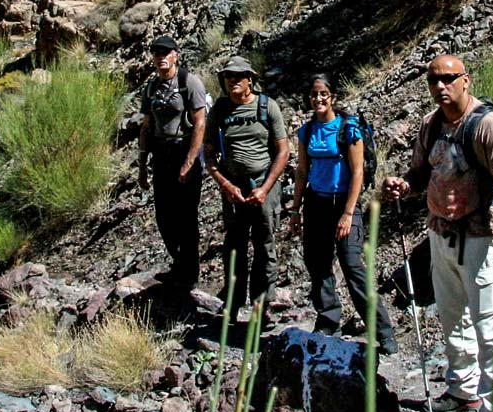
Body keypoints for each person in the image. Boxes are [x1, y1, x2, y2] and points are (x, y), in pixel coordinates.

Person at [382, 54, 493, 412]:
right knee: (451, 318)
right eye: (433, 80)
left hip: (482, 237)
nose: (441, 87)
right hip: (440, 234)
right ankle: (463, 390)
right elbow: (421, 174)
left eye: (448, 78)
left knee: (489, 327)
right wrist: (403, 186)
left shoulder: (487, 125)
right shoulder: (431, 125)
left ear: (466, 80)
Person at [289, 74, 398, 355]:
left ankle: (383, 332)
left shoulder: (348, 129)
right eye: (314, 94)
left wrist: (349, 213)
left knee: (353, 268)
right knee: (318, 264)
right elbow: (302, 172)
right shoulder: (306, 131)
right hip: (316, 204)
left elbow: (358, 173)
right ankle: (328, 321)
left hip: (343, 204)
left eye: (323, 93)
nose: (318, 99)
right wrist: (295, 210)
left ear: (333, 97)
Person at [203, 55, 290, 324]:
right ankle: (232, 302)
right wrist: (225, 184)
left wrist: (265, 188)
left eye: (239, 76)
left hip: (263, 184)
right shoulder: (219, 110)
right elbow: (208, 154)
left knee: (265, 244)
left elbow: (283, 151)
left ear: (250, 79)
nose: (233, 81)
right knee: (234, 246)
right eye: (228, 77)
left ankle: (261, 304)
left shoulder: (268, 107)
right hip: (234, 189)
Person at [137, 35, 208, 289]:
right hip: (161, 156)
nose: (161, 57)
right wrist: (142, 165)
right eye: (157, 53)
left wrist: (190, 161)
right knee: (164, 215)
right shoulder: (151, 88)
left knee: (186, 215)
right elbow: (146, 127)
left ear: (176, 54)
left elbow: (200, 123)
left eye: (166, 52)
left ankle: (189, 273)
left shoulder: (189, 82)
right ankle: (179, 263)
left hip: (183, 151)